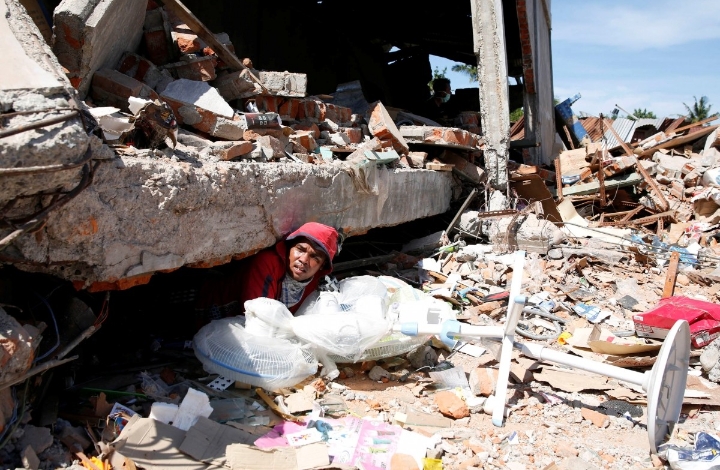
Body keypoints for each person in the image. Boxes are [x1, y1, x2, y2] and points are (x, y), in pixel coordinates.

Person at [195, 222, 340, 322]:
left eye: (315, 257)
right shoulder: (267, 263)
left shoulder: (314, 282)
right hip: (216, 316)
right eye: (300, 250)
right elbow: (257, 317)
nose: (303, 260)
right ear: (289, 248)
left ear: (322, 266)